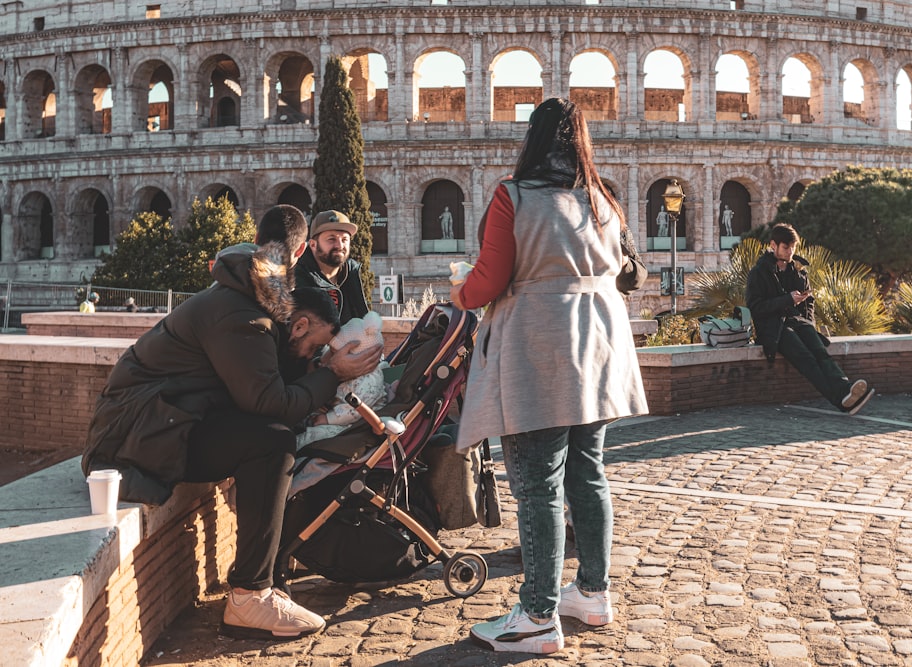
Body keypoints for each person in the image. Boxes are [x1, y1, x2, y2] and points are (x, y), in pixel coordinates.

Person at [82, 205, 381, 640]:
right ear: (300, 251)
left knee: (272, 438)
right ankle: (250, 595)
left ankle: (260, 581)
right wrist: (331, 373)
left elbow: (265, 380)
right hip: (135, 435)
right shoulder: (243, 312)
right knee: (272, 443)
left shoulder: (253, 293)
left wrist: (315, 374)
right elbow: (268, 401)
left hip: (160, 421)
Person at [449, 98, 648, 655]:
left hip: (541, 342)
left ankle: (537, 615)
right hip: (600, 344)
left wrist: (457, 292)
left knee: (537, 481)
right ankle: (592, 591)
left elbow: (488, 282)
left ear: (534, 138)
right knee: (589, 470)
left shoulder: (513, 195)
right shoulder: (603, 198)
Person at [746, 223, 873, 414]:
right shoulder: (758, 273)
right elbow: (755, 308)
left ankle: (846, 390)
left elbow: (809, 303)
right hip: (774, 329)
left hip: (798, 322)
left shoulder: (798, 271)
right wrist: (787, 299)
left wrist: (809, 323)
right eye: (786, 247)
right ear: (773, 245)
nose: (790, 252)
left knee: (820, 353)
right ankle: (841, 400)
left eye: (793, 247)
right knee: (807, 359)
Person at [294, 209, 369, 326]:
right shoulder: (297, 280)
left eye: (344, 240)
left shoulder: (352, 273)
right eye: (331, 239)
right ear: (313, 245)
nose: (339, 246)